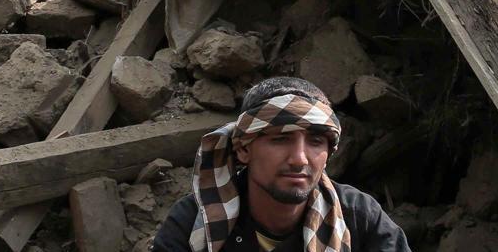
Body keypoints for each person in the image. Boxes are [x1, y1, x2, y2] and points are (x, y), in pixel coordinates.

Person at [152, 77, 409, 252]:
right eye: (281, 139)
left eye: (316, 141)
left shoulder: (359, 217)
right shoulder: (193, 221)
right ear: (244, 149)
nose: (300, 158)